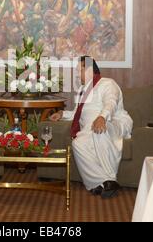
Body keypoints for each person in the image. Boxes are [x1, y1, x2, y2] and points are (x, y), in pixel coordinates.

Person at [49, 56, 133, 198]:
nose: (77, 74)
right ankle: (100, 183)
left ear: (89, 69)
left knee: (99, 129)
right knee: (78, 143)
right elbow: (78, 113)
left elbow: (111, 103)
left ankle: (110, 180)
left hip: (114, 122)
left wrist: (102, 117)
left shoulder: (107, 83)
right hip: (90, 128)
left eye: (79, 70)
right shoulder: (83, 90)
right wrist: (62, 114)